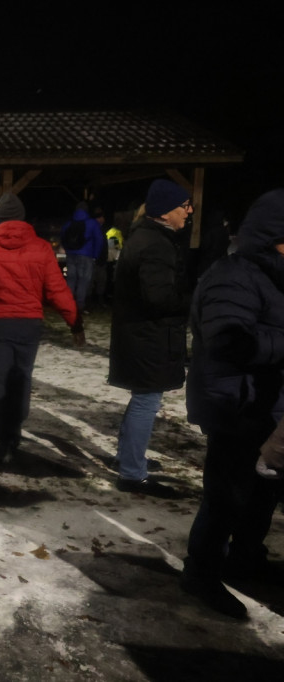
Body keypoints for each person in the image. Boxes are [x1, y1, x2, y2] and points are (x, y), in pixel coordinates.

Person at [181, 188, 284, 619]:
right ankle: (201, 572)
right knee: (226, 495)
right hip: (235, 404)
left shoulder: (272, 273)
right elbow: (228, 339)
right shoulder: (233, 275)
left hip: (269, 405)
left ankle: (245, 558)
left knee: (263, 493)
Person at [0, 193, 83, 464]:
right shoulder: (41, 248)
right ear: (23, 217)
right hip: (29, 323)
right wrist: (74, 321)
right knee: (22, 376)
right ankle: (16, 426)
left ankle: (5, 434)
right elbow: (57, 289)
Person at [108, 179, 192, 497]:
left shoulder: (146, 237)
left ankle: (128, 459)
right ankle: (131, 473)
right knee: (146, 401)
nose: (189, 211)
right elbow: (159, 298)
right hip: (149, 338)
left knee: (142, 399)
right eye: (184, 206)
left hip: (142, 336)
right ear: (166, 211)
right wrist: (192, 300)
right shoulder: (155, 244)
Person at [60, 202, 106, 314]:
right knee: (83, 281)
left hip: (71, 255)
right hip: (86, 255)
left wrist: (68, 250)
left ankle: (68, 305)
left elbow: (62, 237)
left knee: (70, 280)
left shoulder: (68, 223)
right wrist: (95, 255)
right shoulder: (92, 223)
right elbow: (99, 240)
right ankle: (80, 306)